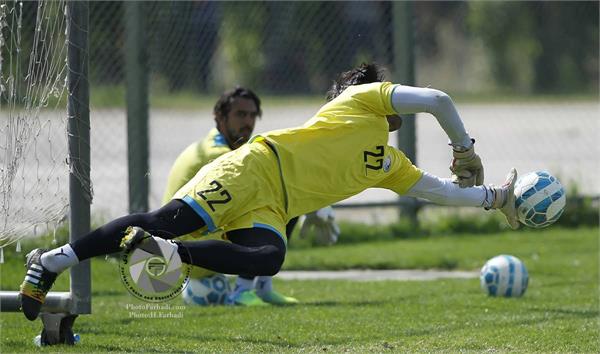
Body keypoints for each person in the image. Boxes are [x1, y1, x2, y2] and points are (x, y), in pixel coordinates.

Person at [19, 63, 518, 321]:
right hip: (255, 168)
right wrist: (464, 149)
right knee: (159, 219)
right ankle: (54, 261)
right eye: (389, 89)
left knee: (267, 257)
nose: (396, 97)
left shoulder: (388, 162)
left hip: (271, 205)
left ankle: (171, 253)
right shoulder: (356, 101)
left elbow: (438, 193)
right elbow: (437, 99)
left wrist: (495, 198)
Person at [163, 87, 306, 306]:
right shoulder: (218, 154)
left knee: (285, 204)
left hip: (196, 240)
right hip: (192, 251)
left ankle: (262, 287)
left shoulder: (220, 147)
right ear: (219, 117)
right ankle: (243, 290)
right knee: (280, 203)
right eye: (240, 114)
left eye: (252, 115)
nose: (247, 122)